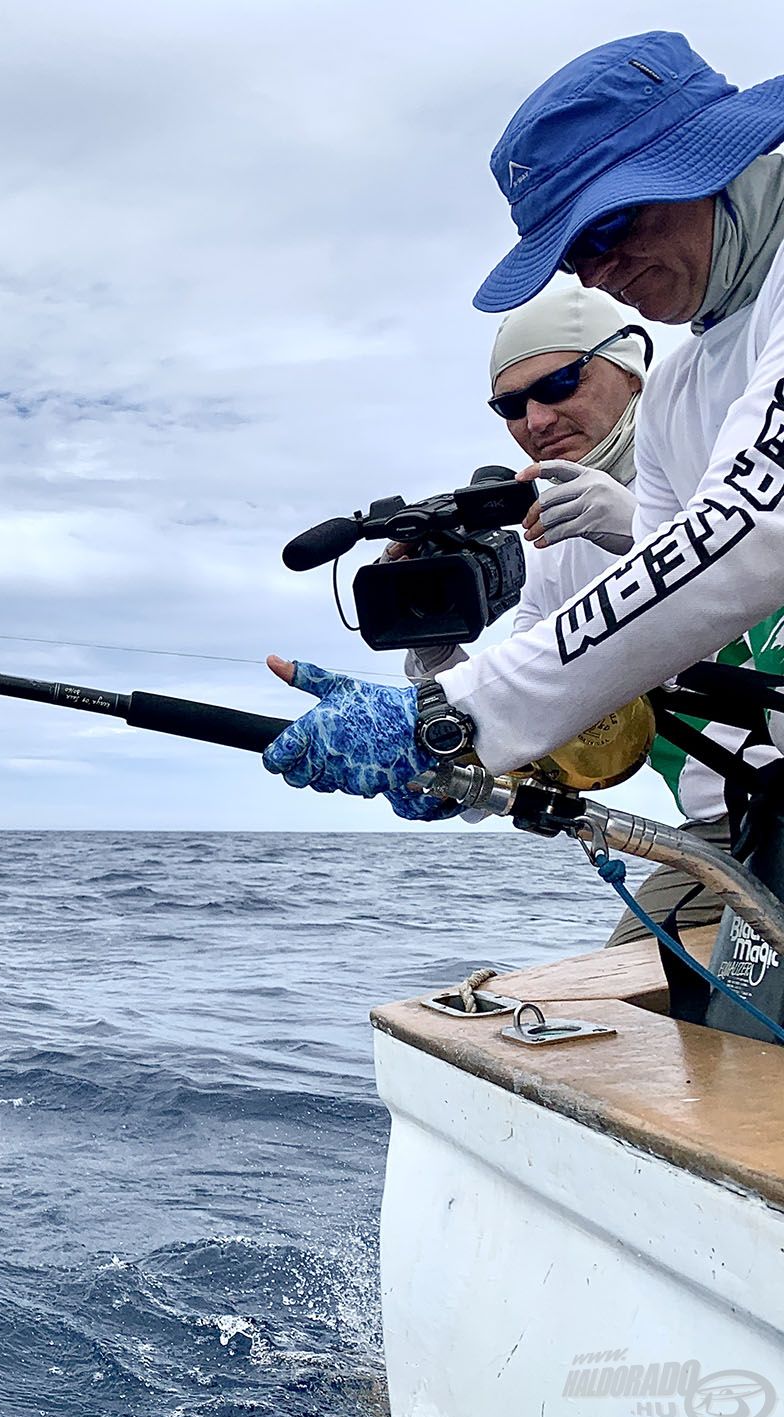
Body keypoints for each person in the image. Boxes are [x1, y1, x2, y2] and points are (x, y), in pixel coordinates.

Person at [264, 33, 784, 848]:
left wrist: (460, 713)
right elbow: (620, 649)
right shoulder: (686, 389)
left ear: (706, 157)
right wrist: (440, 686)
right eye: (572, 251)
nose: (595, 271)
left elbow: (752, 529)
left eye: (607, 225)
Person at [405, 283, 739, 943]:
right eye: (510, 405)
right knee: (618, 990)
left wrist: (643, 537)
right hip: (728, 831)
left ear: (632, 369)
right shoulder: (553, 548)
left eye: (560, 382)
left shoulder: (723, 436)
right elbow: (532, 727)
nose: (535, 419)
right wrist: (436, 661)